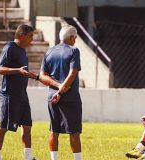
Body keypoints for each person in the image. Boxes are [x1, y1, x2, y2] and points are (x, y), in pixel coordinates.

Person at [0, 24, 38, 160]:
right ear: (21, 36)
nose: (32, 39)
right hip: (9, 95)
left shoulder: (23, 51)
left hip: (22, 95)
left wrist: (30, 75)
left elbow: (21, 71)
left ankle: (28, 157)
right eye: (30, 36)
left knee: (27, 126)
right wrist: (17, 70)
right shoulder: (9, 48)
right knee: (3, 127)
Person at [39, 25, 82, 160]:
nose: (75, 41)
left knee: (54, 130)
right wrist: (62, 89)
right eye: (74, 38)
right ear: (71, 38)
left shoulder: (49, 52)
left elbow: (42, 76)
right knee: (74, 132)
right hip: (70, 97)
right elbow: (73, 72)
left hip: (52, 97)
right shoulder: (74, 50)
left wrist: (57, 88)